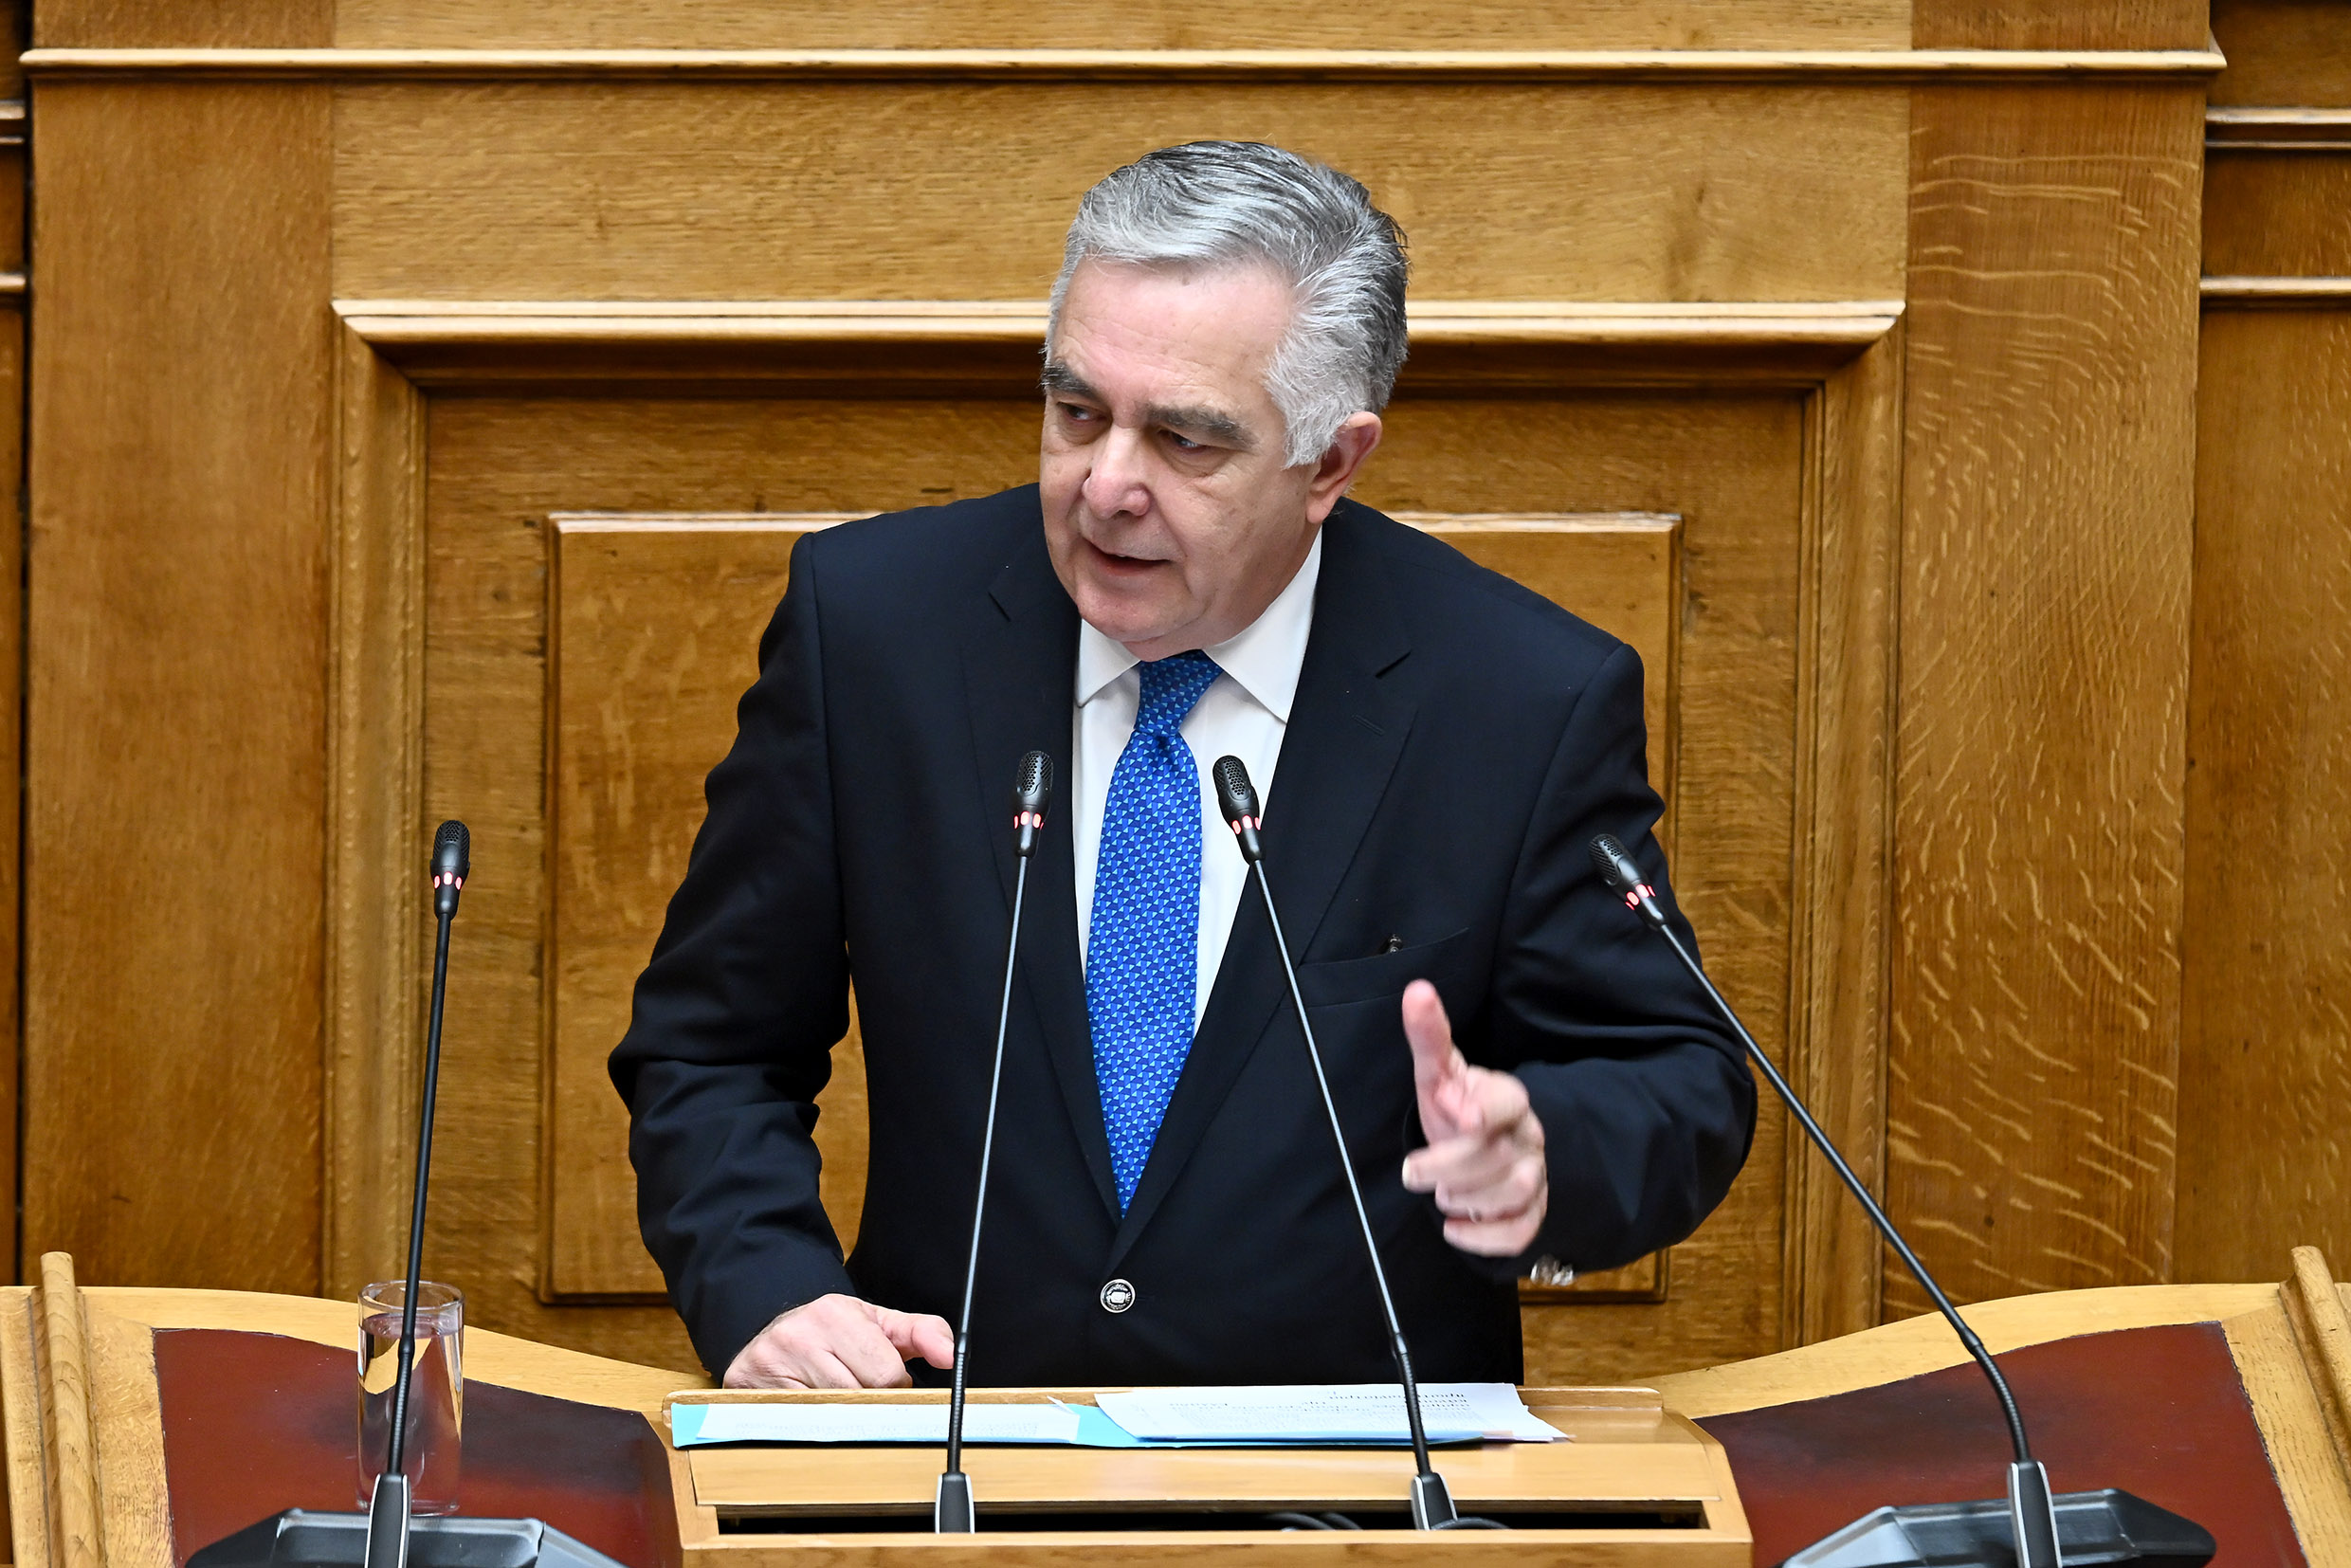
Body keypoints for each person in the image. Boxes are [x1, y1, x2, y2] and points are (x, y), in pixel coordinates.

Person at [611, 140, 1754, 1391]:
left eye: (1185, 441)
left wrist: (1544, 1158)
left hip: (1357, 1476)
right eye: (1076, 413)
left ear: (1331, 462)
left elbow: (1674, 1081)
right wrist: (770, 1287)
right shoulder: (877, 632)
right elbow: (709, 1047)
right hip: (952, 1447)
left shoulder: (1517, 698)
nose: (1106, 486)